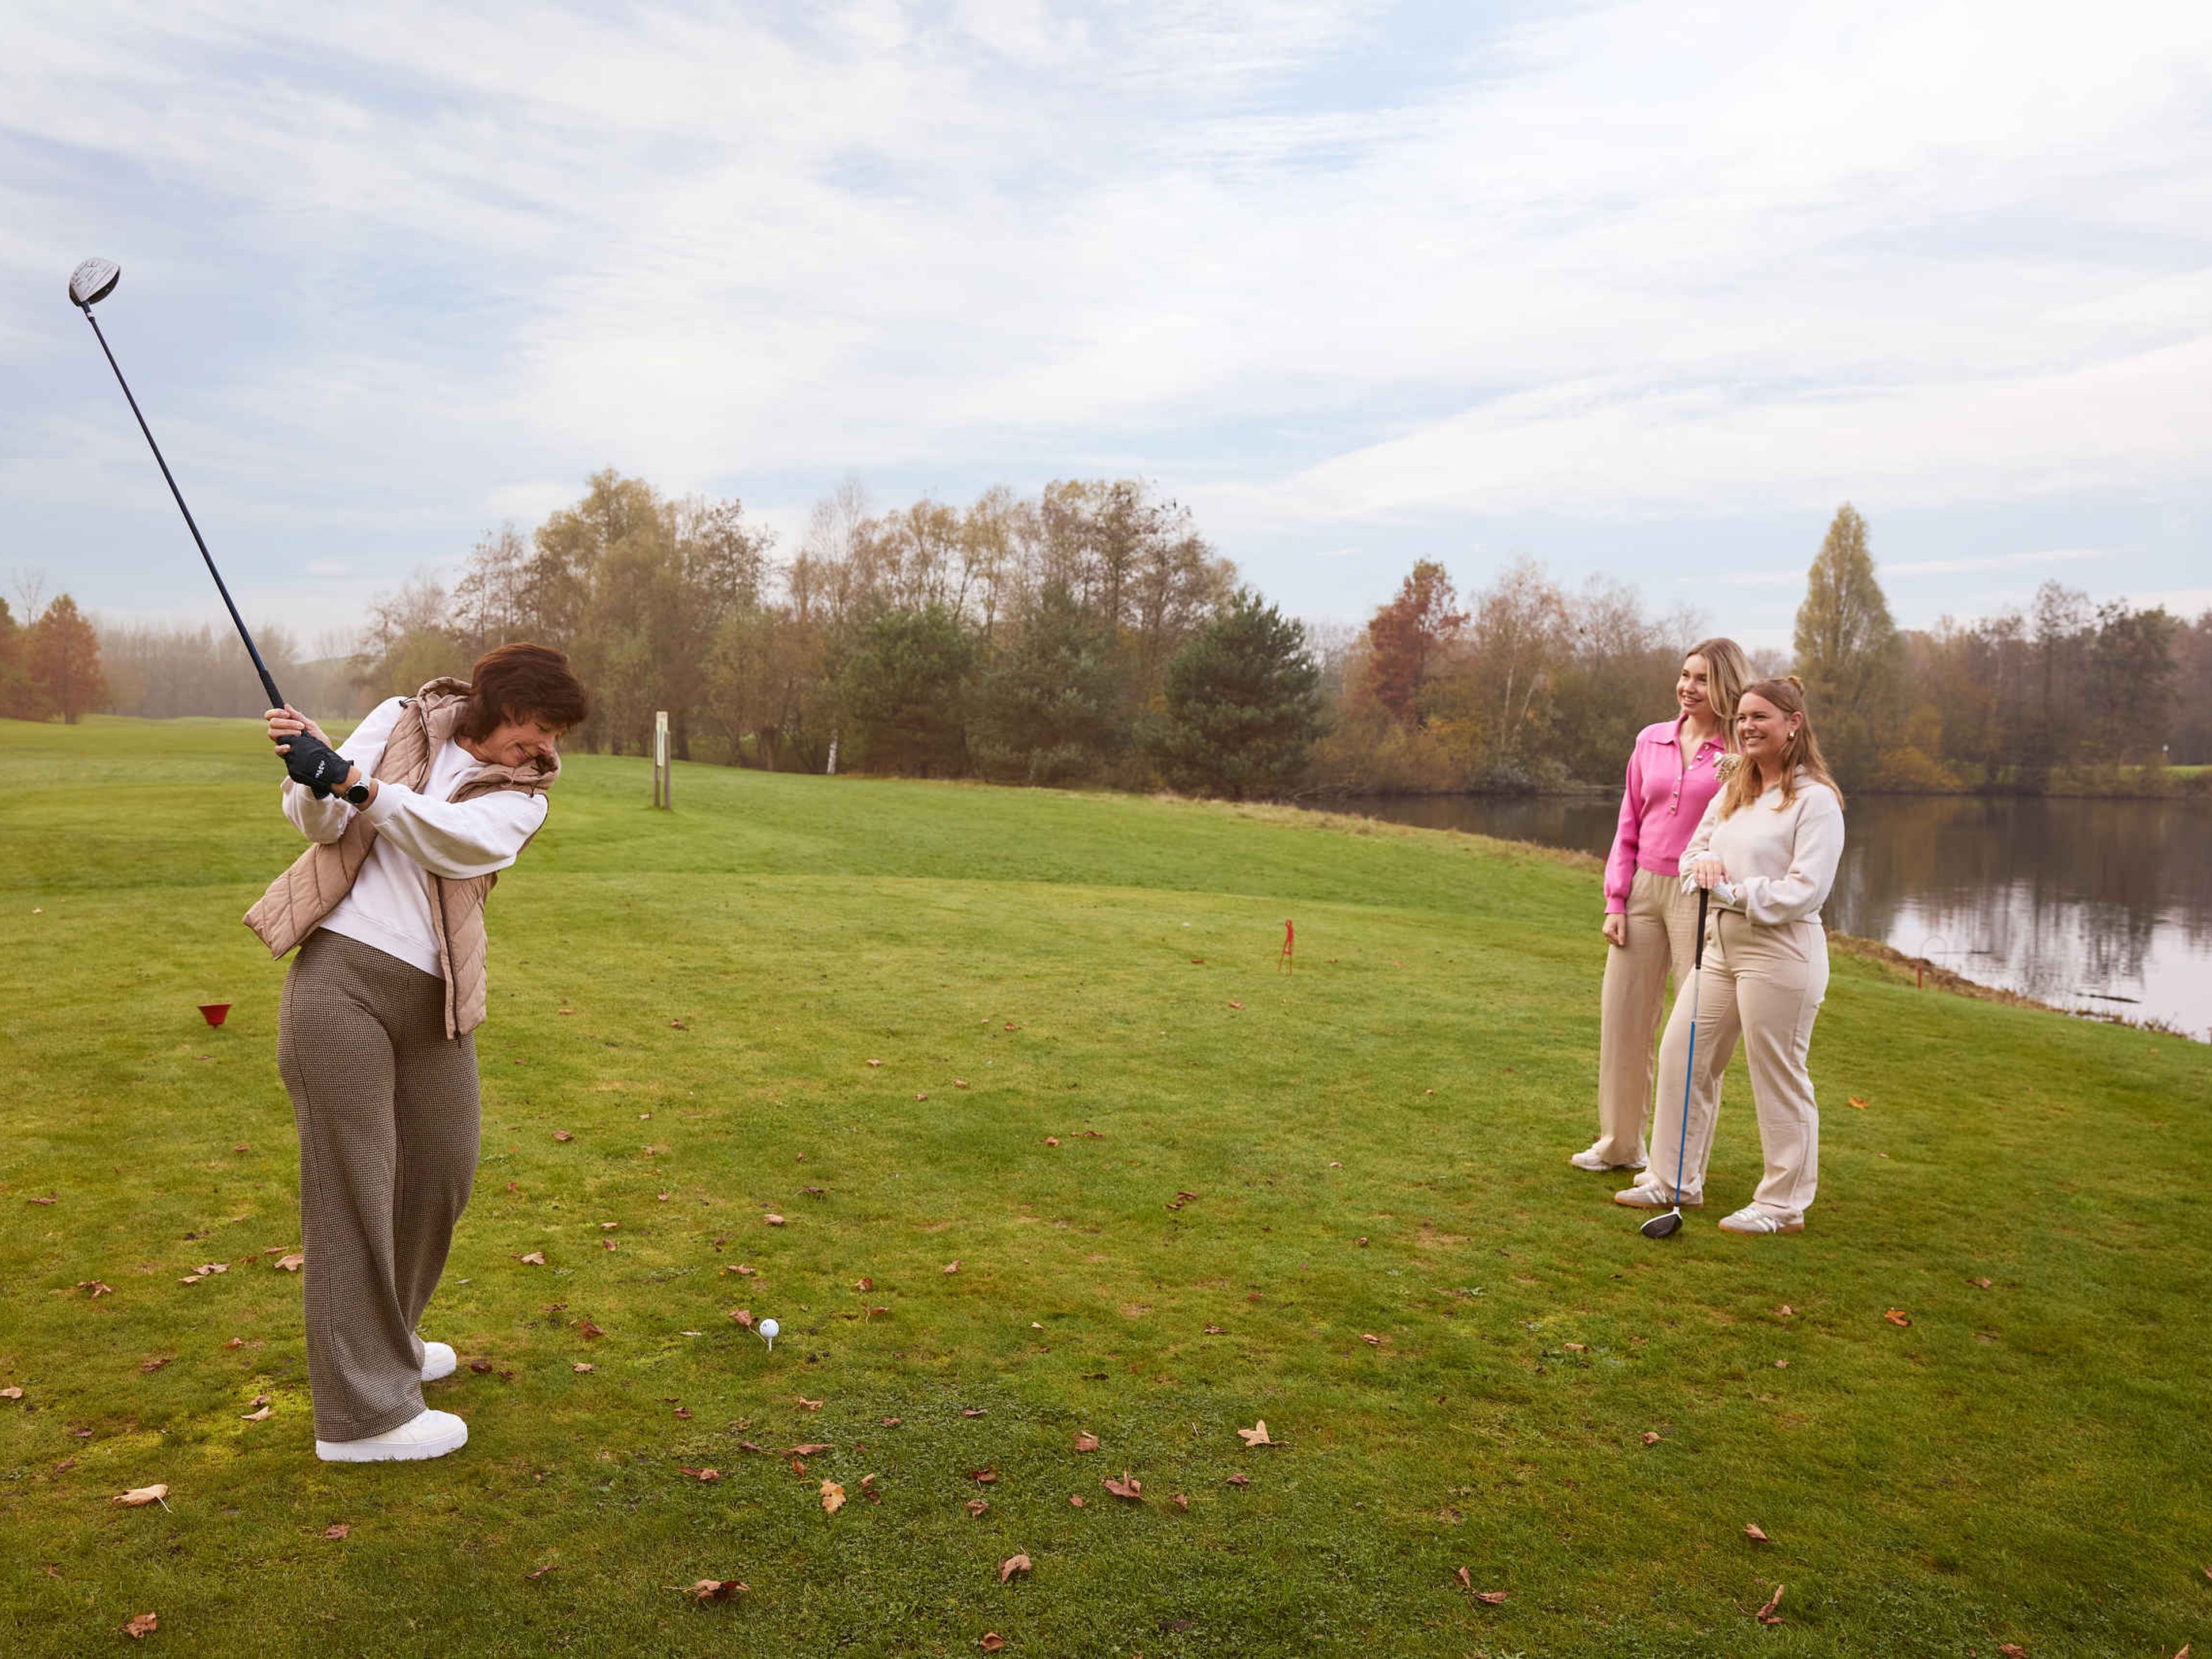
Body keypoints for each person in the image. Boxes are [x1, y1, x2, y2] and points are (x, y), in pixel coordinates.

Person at [245, 643, 589, 1461]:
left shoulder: (524, 796)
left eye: (554, 738)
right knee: (353, 1186)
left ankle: (387, 1343)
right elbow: (318, 824)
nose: (546, 751)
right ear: (497, 706)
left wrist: (358, 784)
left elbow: (452, 841)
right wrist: (311, 775)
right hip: (341, 982)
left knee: (441, 1172)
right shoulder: (397, 722)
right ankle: (360, 1420)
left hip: (435, 997)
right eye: (538, 730)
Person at [1613, 675, 1845, 1234]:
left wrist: (1734, 892)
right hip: (1720, 947)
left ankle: (1782, 1204)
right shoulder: (1737, 787)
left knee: (1778, 1074)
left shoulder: (1815, 800)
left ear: (1794, 724)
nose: (1748, 727)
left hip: (1781, 952)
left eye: (1761, 717)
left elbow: (1806, 891)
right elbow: (1695, 849)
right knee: (1681, 1055)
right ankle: (1673, 1181)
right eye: (1742, 718)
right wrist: (1704, 868)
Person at [1572, 638, 1750, 1172]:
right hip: (1644, 891)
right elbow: (1628, 823)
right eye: (1684, 675)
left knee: (1694, 1035)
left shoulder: (1740, 755)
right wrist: (1616, 900)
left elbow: (1744, 833)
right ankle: (1620, 1145)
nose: (1688, 687)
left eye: (1702, 679)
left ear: (1724, 686)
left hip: (1700, 900)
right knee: (1623, 1021)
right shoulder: (1650, 740)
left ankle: (1679, 1165)